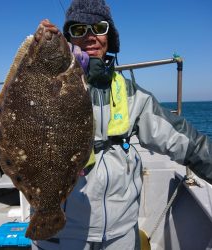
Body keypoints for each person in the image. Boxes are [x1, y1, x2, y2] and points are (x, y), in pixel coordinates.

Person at [33, 0, 212, 249]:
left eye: (99, 27)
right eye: (78, 30)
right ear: (68, 39)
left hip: (120, 232)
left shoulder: (130, 94)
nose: (90, 36)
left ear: (110, 36)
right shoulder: (44, 85)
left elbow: (183, 140)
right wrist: (45, 55)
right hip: (61, 233)